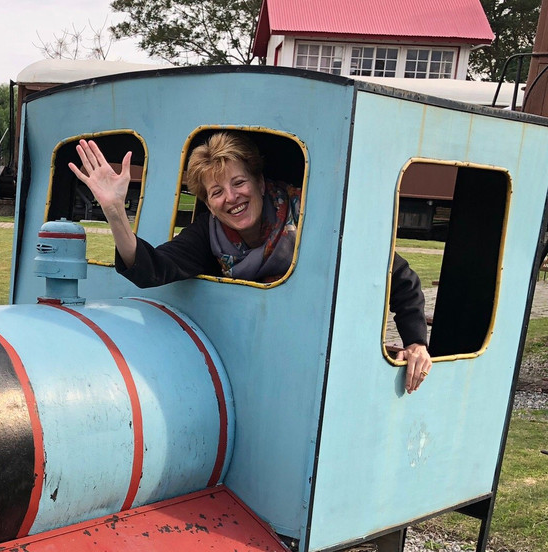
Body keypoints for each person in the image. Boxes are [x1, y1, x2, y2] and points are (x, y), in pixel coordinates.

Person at [69, 131, 433, 394]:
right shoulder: (208, 235)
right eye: (216, 192)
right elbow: (152, 269)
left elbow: (397, 275)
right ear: (209, 203)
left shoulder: (311, 217)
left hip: (322, 360)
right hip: (255, 367)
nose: (231, 198)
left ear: (259, 181)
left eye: (238, 182)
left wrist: (416, 342)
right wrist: (116, 212)